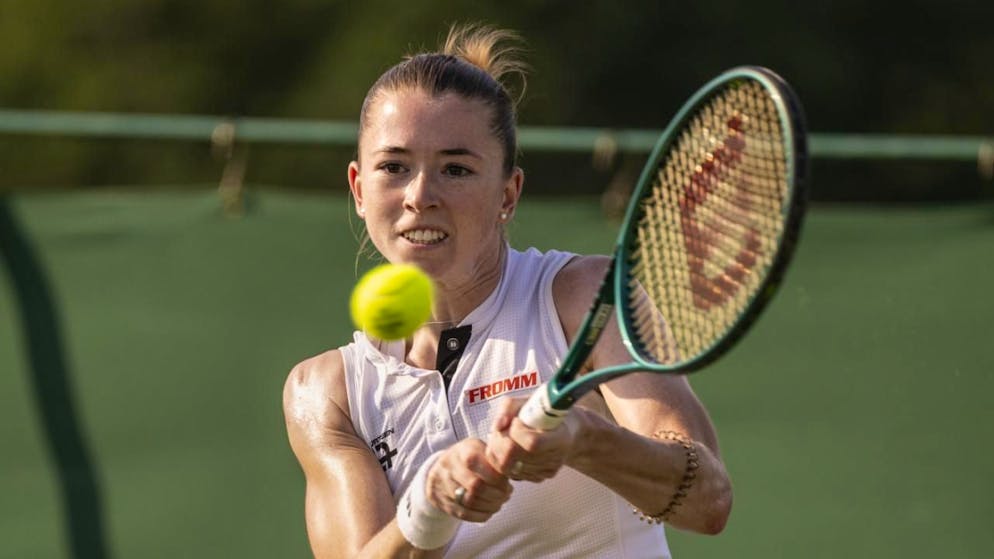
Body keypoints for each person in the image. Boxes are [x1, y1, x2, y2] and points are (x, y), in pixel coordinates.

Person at [283, 23, 732, 558]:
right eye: (394, 167)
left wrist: (582, 440)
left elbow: (708, 501)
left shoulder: (586, 298)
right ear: (359, 189)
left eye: (456, 168)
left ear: (508, 194)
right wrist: (428, 507)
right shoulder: (324, 392)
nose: (420, 195)